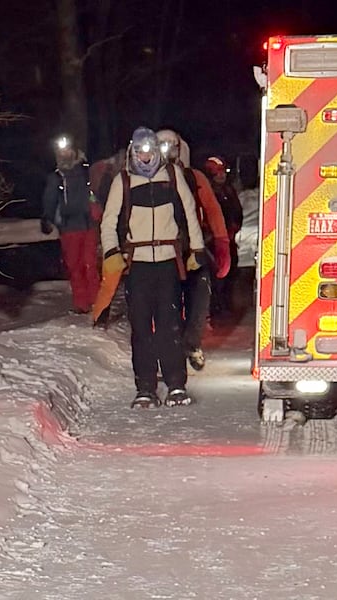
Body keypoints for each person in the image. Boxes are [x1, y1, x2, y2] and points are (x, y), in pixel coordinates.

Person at [100, 127, 206, 408]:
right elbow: (108, 221)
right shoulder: (122, 181)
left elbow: (190, 211)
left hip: (169, 263)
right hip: (138, 265)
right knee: (141, 328)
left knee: (170, 325)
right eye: (140, 152)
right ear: (133, 152)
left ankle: (176, 384)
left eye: (149, 152)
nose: (145, 158)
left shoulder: (172, 175)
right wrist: (111, 252)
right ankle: (145, 387)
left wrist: (197, 249)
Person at [155, 129, 230, 372]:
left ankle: (192, 343)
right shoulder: (143, 180)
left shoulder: (194, 178)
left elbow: (212, 210)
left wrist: (222, 243)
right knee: (164, 303)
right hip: (159, 251)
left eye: (172, 146)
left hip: (191, 248)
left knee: (199, 298)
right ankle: (168, 350)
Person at [41, 135, 101, 314]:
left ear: (74, 151)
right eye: (61, 151)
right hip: (69, 228)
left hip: (88, 225)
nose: (65, 154)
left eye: (68, 150)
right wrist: (47, 218)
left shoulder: (86, 171)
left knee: (90, 264)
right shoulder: (56, 177)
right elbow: (50, 199)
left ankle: (98, 302)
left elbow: (98, 192)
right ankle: (81, 303)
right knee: (75, 267)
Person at [203, 156, 243, 317]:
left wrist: (233, 228)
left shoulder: (228, 191)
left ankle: (225, 305)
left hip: (228, 240)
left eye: (223, 172)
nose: (222, 175)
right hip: (211, 242)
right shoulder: (206, 192)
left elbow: (237, 213)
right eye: (218, 172)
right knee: (214, 276)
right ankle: (214, 309)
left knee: (230, 273)